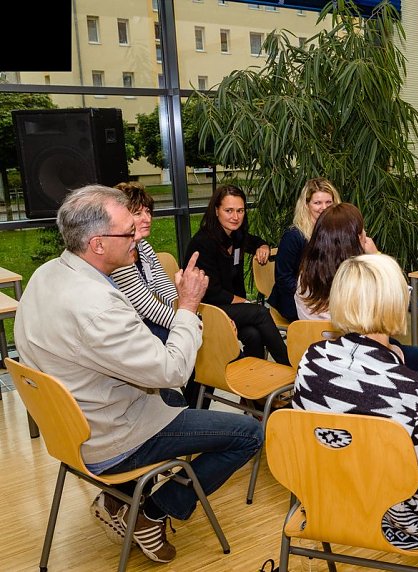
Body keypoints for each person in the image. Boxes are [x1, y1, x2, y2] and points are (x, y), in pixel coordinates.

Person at [14, 185, 263, 564]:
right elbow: (173, 369)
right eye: (128, 232)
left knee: (177, 401)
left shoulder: (45, 275)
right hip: (111, 436)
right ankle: (152, 513)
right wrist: (189, 306)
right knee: (249, 434)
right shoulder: (97, 305)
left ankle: (122, 497)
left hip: (71, 427)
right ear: (97, 243)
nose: (137, 237)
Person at [292, 253, 418, 572]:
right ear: (392, 305)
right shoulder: (411, 389)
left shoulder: (311, 360)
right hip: (389, 512)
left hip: (324, 497)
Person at [295, 202, 418, 395]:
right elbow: (398, 303)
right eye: (363, 232)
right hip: (360, 357)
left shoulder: (305, 276)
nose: (367, 236)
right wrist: (376, 256)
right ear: (356, 239)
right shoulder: (358, 281)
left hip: (320, 357)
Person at [184, 184, 289, 365]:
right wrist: (244, 302)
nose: (235, 216)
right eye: (229, 210)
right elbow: (211, 292)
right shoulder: (203, 243)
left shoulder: (236, 235)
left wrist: (262, 246)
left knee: (253, 335)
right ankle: (292, 367)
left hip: (229, 307)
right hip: (208, 310)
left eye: (240, 211)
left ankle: (253, 391)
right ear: (216, 210)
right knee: (261, 312)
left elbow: (253, 240)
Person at [110, 182, 177, 343]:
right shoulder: (118, 254)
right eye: (138, 213)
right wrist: (192, 324)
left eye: (148, 211)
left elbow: (166, 289)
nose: (147, 219)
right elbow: (150, 308)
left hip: (146, 320)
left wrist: (192, 316)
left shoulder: (143, 246)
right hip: (128, 331)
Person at [268, 177, 341, 322]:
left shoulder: (338, 234)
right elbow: (283, 279)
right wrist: (315, 298)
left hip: (328, 301)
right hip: (297, 302)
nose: (324, 208)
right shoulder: (294, 236)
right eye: (317, 203)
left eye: (328, 202)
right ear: (306, 205)